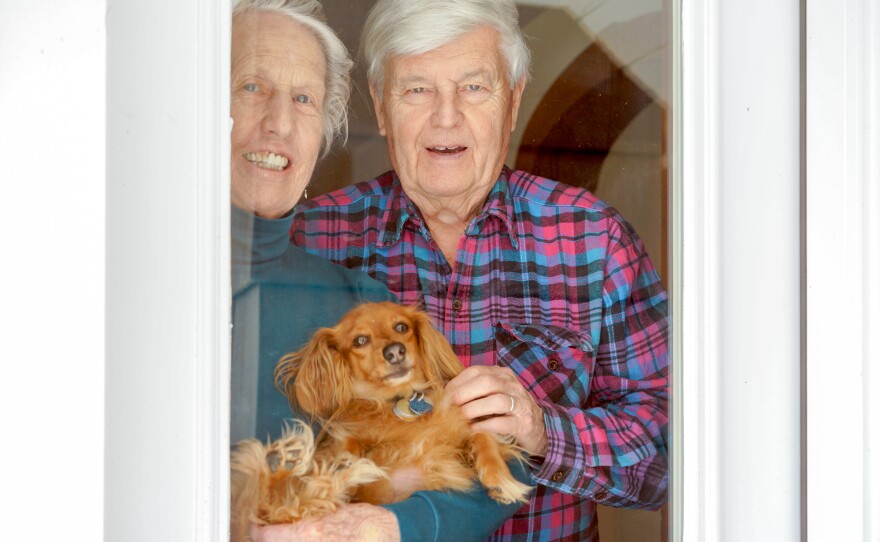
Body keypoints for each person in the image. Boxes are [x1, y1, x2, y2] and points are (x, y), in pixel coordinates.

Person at [291, 0, 670, 540]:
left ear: (512, 102)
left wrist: (543, 431)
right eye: (417, 89)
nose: (446, 117)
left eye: (474, 87)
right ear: (380, 106)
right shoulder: (314, 236)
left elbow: (672, 456)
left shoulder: (594, 239)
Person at [228, 1, 528, 541]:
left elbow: (475, 451)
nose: (278, 122)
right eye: (251, 87)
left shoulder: (356, 300)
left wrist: (388, 523)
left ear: (323, 130)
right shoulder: (119, 273)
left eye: (304, 99)